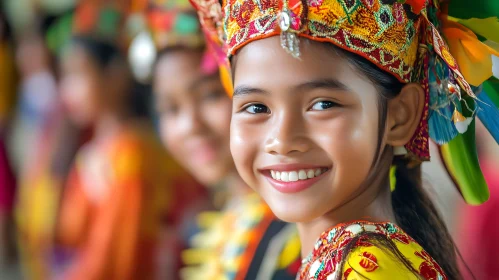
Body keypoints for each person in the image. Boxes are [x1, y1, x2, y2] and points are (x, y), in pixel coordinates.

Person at [189, 0, 499, 278]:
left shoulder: (365, 269)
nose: (281, 141)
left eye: (323, 104)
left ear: (401, 116)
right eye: (256, 108)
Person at [150, 2, 301, 279]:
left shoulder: (300, 223)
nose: (190, 126)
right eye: (171, 109)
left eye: (210, 95)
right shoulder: (223, 219)